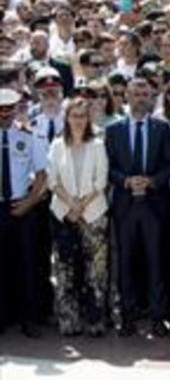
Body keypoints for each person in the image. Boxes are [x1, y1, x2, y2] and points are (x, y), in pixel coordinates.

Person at [106, 75, 170, 337]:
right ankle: (128, 317)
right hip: (124, 205)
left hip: (154, 205)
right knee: (125, 262)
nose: (140, 98)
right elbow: (109, 166)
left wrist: (151, 181)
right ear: (126, 97)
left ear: (151, 98)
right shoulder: (114, 130)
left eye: (145, 94)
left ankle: (158, 317)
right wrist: (125, 181)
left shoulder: (161, 128)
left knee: (156, 261)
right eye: (135, 94)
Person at [45, 96, 109, 337]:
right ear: (67, 118)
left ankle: (95, 322)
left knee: (96, 271)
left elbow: (100, 181)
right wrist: (71, 205)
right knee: (64, 269)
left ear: (88, 119)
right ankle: (69, 321)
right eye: (74, 115)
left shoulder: (98, 144)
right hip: (63, 214)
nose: (79, 120)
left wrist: (81, 207)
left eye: (83, 116)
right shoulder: (57, 144)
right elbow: (52, 180)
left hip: (94, 214)